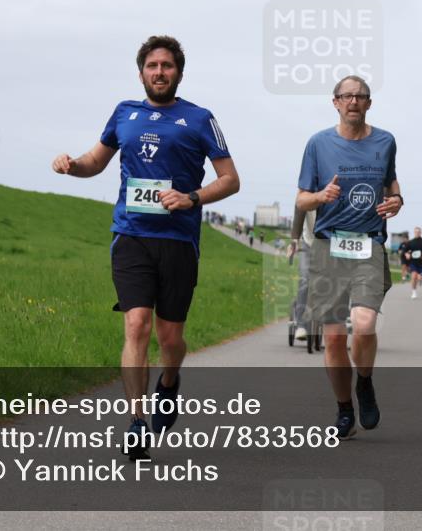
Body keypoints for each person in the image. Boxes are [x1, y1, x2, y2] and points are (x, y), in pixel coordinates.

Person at [51, 35, 240, 461]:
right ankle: (136, 422)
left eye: (167, 66)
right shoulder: (124, 113)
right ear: (141, 73)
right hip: (131, 236)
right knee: (136, 325)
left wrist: (191, 198)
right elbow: (94, 162)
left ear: (179, 73)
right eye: (152, 66)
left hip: (178, 241)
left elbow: (230, 179)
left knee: (170, 337)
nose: (159, 72)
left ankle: (169, 380)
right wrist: (70, 165)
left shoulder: (199, 118)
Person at [296, 75, 403, 439]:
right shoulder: (318, 144)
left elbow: (391, 184)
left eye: (360, 96)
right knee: (334, 337)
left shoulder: (385, 141)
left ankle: (365, 381)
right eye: (347, 96)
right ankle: (344, 409)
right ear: (335, 102)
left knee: (366, 322)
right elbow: (301, 199)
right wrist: (320, 197)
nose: (353, 101)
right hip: (329, 246)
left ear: (369, 104)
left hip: (369, 244)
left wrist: (397, 201)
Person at [287, 206, 317, 341]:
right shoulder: (309, 187)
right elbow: (300, 209)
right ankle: (301, 325)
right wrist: (294, 240)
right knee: (305, 279)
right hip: (308, 243)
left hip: (332, 243)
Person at [404, 227, 422, 299]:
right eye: (416, 232)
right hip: (413, 262)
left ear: (421, 233)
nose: (417, 233)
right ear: (414, 233)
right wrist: (407, 254)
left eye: (418, 232)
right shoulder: (410, 242)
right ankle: (414, 292)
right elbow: (405, 251)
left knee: (419, 278)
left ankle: (421, 279)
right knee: (413, 276)